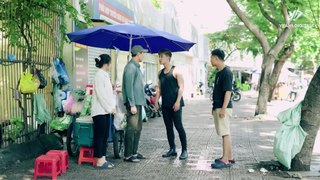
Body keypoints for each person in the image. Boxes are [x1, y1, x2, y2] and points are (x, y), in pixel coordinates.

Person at [155, 49, 188, 160]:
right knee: (168, 127)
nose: (160, 59)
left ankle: (184, 150)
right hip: (165, 105)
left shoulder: (176, 71)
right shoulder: (160, 73)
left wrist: (178, 101)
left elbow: (181, 87)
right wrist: (156, 102)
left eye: (162, 56)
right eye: (159, 56)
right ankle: (172, 149)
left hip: (175, 105)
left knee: (178, 126)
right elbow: (159, 89)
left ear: (168, 57)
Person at [210, 49, 235, 169]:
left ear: (216, 58)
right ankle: (229, 157)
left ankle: (225, 160)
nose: (210, 60)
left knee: (225, 133)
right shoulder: (219, 72)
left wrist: (223, 108)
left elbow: (228, 92)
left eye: (211, 58)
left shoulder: (226, 72)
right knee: (225, 132)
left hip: (223, 107)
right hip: (218, 106)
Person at [122, 45, 148, 163]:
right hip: (133, 103)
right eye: (143, 53)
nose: (143, 55)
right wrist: (131, 104)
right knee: (131, 129)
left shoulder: (136, 67)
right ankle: (128, 155)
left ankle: (134, 152)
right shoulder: (130, 67)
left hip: (138, 102)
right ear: (138, 54)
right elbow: (128, 87)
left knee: (138, 129)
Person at [91, 54, 116, 169]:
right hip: (100, 111)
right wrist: (110, 108)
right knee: (100, 136)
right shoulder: (99, 76)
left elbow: (107, 93)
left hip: (105, 111)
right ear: (107, 64)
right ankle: (99, 161)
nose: (111, 65)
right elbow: (101, 95)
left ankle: (103, 159)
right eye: (110, 63)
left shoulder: (104, 75)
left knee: (104, 135)